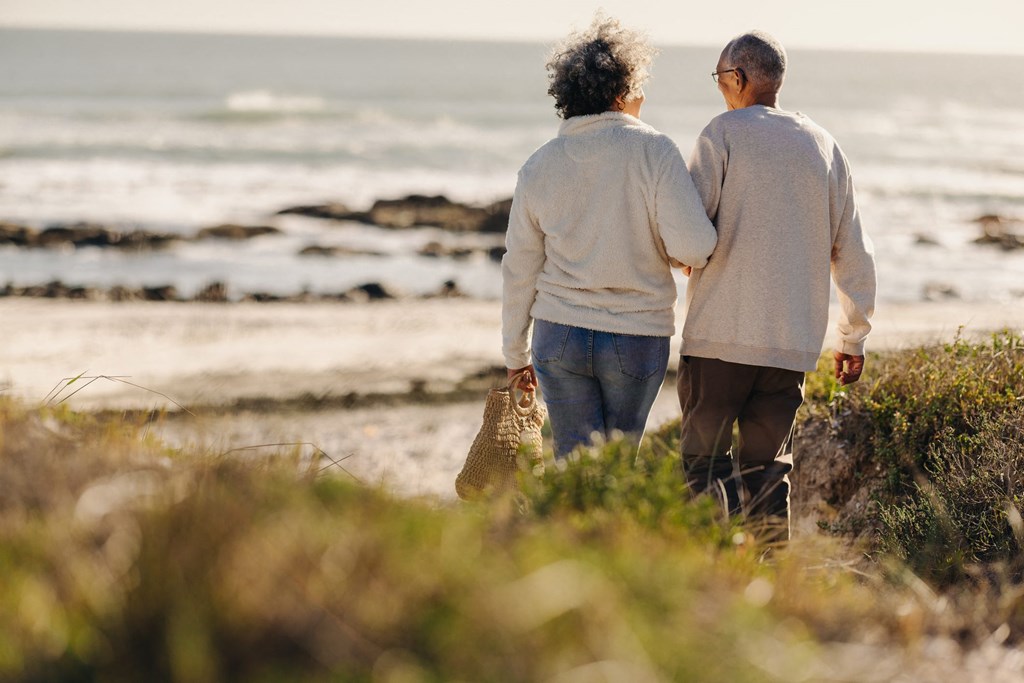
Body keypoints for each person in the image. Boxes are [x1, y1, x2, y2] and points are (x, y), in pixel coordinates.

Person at [679, 30, 876, 540]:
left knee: (704, 469)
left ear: (738, 78)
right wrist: (853, 336)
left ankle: (710, 580)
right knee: (769, 475)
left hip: (720, 339)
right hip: (789, 346)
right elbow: (852, 250)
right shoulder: (825, 146)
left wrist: (682, 256)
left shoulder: (721, 133)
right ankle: (767, 585)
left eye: (720, 78)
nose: (719, 88)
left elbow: (689, 233)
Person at [502, 16, 717, 460]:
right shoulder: (654, 150)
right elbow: (695, 248)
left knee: (575, 466)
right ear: (622, 90)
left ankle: (572, 531)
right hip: (635, 334)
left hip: (557, 335)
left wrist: (514, 354)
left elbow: (519, 267)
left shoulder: (539, 164)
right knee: (615, 469)